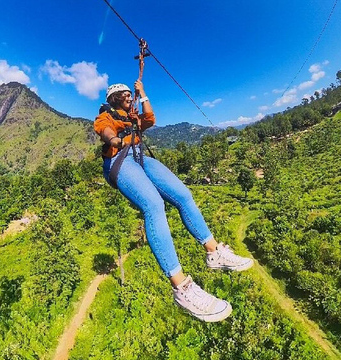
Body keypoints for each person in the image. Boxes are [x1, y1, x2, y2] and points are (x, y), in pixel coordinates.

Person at [94, 81, 253, 322]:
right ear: (114, 98)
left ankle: (214, 252)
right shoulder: (107, 115)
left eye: (129, 94)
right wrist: (114, 140)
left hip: (139, 157)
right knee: (154, 205)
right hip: (120, 161)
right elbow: (104, 131)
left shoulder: (133, 116)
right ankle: (182, 288)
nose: (128, 96)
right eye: (124, 95)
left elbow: (150, 120)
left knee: (182, 195)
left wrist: (143, 94)